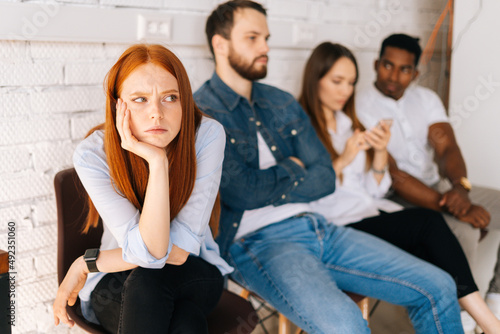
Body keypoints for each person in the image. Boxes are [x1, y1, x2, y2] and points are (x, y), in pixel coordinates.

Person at [194, 1, 463, 333]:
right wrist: (294, 169)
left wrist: (275, 182)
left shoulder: (280, 101)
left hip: (318, 226)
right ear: (220, 44)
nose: (265, 47)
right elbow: (242, 192)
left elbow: (324, 178)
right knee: (346, 326)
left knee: (437, 286)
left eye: (266, 37)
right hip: (257, 242)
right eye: (252, 38)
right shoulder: (202, 111)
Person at [300, 41, 500, 334]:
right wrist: (342, 160)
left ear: (415, 73)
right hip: (335, 225)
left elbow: (373, 190)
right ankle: (482, 321)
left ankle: (485, 311)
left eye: (351, 83)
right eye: (337, 81)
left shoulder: (347, 122)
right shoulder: (300, 127)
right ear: (315, 80)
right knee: (432, 226)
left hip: (371, 211)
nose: (345, 90)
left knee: (435, 261)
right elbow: (304, 193)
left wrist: (378, 154)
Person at [52, 44, 232, 334]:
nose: (156, 114)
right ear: (117, 105)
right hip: (116, 278)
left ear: (184, 100)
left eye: (170, 98)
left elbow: (176, 253)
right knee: (185, 323)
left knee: (150, 278)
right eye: (140, 99)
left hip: (193, 271)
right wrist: (157, 161)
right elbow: (148, 252)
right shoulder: (93, 154)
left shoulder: (206, 135)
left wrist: (86, 264)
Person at [356, 33, 500, 329]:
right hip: (394, 197)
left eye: (404, 69)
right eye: (387, 65)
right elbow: (395, 176)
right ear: (375, 64)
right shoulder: (359, 105)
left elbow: (447, 148)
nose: (394, 75)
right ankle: (463, 317)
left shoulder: (426, 99)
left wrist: (460, 189)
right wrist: (455, 208)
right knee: (466, 231)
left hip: (442, 190)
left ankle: (496, 301)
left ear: (415, 73)